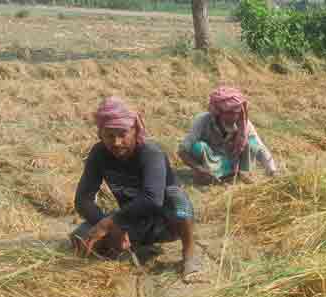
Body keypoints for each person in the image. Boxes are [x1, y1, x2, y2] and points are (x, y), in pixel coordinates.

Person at [70, 96, 202, 282]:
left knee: (176, 196)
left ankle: (189, 254)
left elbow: (152, 199)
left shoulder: (150, 153)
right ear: (100, 134)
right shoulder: (99, 154)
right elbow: (83, 199)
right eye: (109, 135)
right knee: (79, 238)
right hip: (132, 219)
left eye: (122, 134)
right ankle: (133, 246)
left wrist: (112, 222)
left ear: (135, 130)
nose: (116, 142)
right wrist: (108, 224)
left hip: (166, 221)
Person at [178, 87, 278, 185]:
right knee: (197, 147)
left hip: (233, 162)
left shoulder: (244, 124)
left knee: (251, 143)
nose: (234, 116)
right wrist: (199, 169)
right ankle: (207, 176)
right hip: (211, 159)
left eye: (237, 112)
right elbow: (183, 150)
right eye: (229, 113)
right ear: (218, 112)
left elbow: (261, 149)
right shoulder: (203, 120)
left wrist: (272, 171)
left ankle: (241, 175)